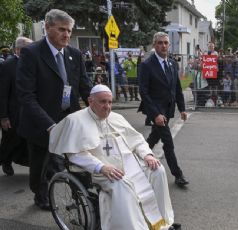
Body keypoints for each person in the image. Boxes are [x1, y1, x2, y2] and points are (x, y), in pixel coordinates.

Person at [49, 85, 181, 230]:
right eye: (103, 102)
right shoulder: (76, 120)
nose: (107, 107)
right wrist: (101, 167)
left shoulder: (116, 117)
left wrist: (148, 155)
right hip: (98, 170)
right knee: (122, 183)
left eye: (110, 102)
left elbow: (136, 140)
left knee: (158, 171)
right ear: (90, 101)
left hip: (128, 163)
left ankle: (160, 223)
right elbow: (76, 154)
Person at [15, 9, 92, 210]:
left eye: (69, 31)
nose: (66, 35)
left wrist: (99, 104)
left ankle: (79, 198)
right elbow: (26, 95)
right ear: (47, 28)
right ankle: (40, 194)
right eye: (61, 30)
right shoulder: (31, 54)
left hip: (69, 119)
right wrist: (49, 125)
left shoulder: (74, 54)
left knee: (75, 161)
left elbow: (84, 86)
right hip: (41, 124)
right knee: (40, 166)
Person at [138, 32, 189, 187]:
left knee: (153, 138)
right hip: (156, 110)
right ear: (154, 45)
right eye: (160, 43)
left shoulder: (172, 64)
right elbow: (144, 92)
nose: (164, 46)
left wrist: (182, 108)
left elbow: (177, 88)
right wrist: (155, 115)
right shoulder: (147, 65)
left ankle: (137, 159)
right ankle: (178, 174)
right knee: (168, 142)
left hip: (168, 108)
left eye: (166, 43)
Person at [0, 37, 33, 176]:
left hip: (30, 111)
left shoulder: (32, 64)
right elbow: (2, 92)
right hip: (13, 113)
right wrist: (3, 116)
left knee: (28, 141)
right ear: (18, 49)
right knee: (10, 141)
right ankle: (5, 161)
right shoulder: (8, 65)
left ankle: (29, 163)